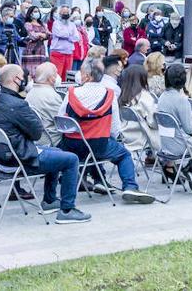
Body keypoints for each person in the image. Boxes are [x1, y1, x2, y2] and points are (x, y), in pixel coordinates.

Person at [0, 64, 90, 222]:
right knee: (72, 159)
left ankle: (49, 200)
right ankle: (67, 210)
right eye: (24, 76)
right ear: (16, 79)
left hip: (4, 157)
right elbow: (36, 133)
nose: (27, 79)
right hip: (21, 158)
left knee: (58, 153)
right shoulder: (16, 104)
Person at [58, 58, 155, 204]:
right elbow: (115, 128)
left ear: (86, 75)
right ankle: (129, 186)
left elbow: (61, 120)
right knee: (123, 154)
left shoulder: (71, 93)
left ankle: (97, 180)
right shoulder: (109, 95)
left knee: (85, 148)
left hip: (72, 145)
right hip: (98, 144)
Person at [154, 63, 192, 182]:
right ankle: (190, 169)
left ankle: (174, 168)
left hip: (164, 143)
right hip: (179, 145)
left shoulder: (162, 97)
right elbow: (189, 129)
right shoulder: (181, 100)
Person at [118, 63, 159, 158]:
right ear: (143, 78)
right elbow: (152, 122)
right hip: (144, 138)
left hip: (128, 135)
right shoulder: (144, 96)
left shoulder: (123, 96)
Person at [25, 62, 65, 148]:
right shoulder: (52, 96)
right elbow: (63, 123)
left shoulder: (30, 93)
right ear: (51, 78)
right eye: (56, 73)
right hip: (51, 141)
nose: (58, 76)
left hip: (34, 138)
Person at [49, 6, 80, 78]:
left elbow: (76, 37)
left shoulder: (72, 24)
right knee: (57, 76)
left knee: (67, 76)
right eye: (63, 12)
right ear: (59, 13)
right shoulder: (56, 23)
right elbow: (59, 33)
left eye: (67, 13)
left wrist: (66, 35)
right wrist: (69, 35)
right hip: (58, 53)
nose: (65, 14)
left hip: (69, 53)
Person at [21, 4, 50, 76]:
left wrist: (41, 35)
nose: (37, 13)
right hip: (31, 50)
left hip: (41, 49)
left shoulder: (43, 24)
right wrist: (41, 35)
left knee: (40, 70)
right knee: (31, 71)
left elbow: (49, 34)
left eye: (38, 11)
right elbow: (32, 35)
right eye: (35, 11)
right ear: (30, 13)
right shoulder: (28, 24)